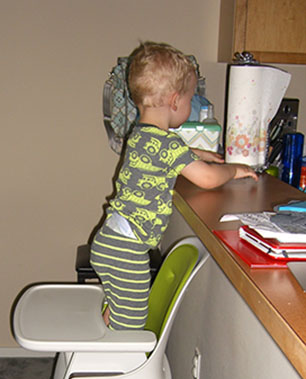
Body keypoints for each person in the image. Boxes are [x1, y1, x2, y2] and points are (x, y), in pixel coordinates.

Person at [90, 41, 258, 330]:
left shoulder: (139, 135)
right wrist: (233, 170)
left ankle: (98, 351)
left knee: (117, 310)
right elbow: (205, 179)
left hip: (109, 243)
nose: (190, 106)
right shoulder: (167, 144)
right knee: (130, 323)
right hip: (128, 252)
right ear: (176, 101)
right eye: (191, 99)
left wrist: (198, 154)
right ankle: (117, 369)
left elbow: (168, 155)